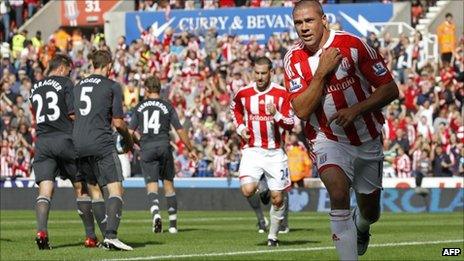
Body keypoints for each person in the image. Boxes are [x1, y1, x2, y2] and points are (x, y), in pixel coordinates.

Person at [284, 1, 399, 259]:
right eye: (298, 23)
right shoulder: (293, 59)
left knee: (371, 212)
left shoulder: (353, 45)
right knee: (337, 193)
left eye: (309, 21)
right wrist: (321, 73)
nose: (304, 28)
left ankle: (362, 226)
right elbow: (301, 111)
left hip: (367, 137)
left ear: (324, 20)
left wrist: (356, 109)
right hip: (327, 137)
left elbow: (390, 89)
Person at [30, 54, 98, 249]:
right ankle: (90, 236)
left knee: (45, 189)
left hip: (43, 142)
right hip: (65, 140)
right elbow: (71, 114)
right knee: (80, 187)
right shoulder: (66, 83)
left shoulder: (35, 87)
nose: (71, 73)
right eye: (69, 70)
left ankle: (42, 232)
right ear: (62, 67)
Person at [73, 50, 134, 251]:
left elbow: (73, 115)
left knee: (95, 191)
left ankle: (105, 237)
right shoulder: (112, 86)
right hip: (101, 142)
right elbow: (118, 123)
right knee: (116, 188)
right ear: (108, 65)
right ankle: (111, 236)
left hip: (79, 143)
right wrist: (129, 140)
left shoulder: (78, 85)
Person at [231, 56, 294, 247]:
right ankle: (262, 188)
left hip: (275, 152)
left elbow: (290, 123)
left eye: (263, 73)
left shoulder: (281, 94)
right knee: (248, 190)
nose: (259, 77)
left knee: (277, 199)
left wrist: (275, 114)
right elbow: (236, 111)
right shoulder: (243, 93)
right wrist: (241, 129)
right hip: (252, 150)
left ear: (271, 73)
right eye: (256, 73)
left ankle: (273, 237)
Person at [129, 75, 197, 234]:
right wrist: (190, 149)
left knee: (151, 185)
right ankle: (173, 225)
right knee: (168, 185)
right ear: (159, 89)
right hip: (164, 145)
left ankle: (156, 214)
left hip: (147, 147)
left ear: (146, 90)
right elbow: (180, 130)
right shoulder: (167, 106)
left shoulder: (140, 106)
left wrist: (139, 142)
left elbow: (130, 131)